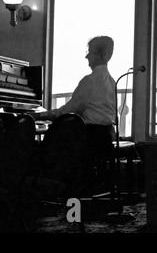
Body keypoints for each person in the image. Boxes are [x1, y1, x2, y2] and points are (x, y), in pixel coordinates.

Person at [30, 35, 116, 194]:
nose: (87, 56)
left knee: (47, 144)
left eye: (89, 52)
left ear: (98, 55)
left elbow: (70, 110)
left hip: (90, 137)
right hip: (106, 135)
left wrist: (40, 116)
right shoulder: (112, 81)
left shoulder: (90, 81)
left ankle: (47, 186)